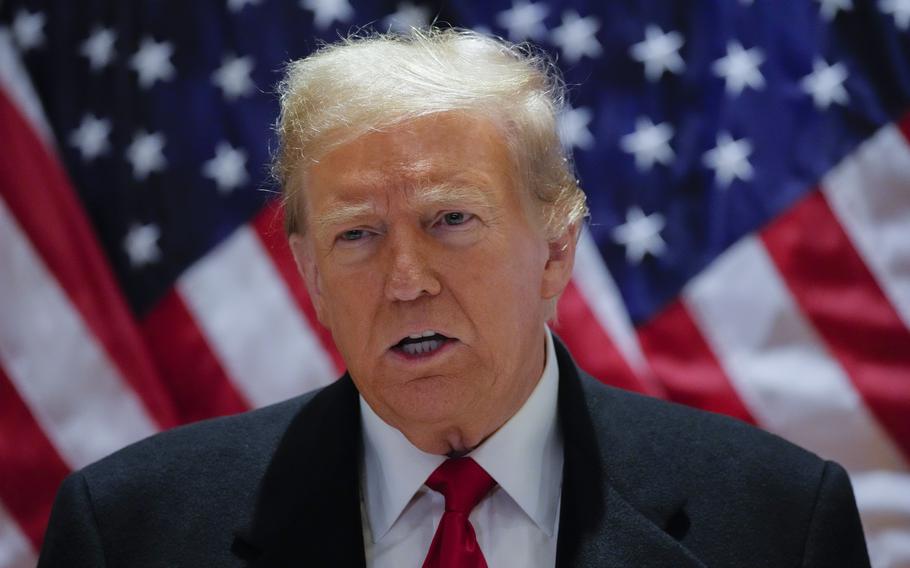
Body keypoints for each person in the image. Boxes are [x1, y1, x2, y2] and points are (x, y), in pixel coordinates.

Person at [38, 28, 870, 567]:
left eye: (451, 220)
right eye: (357, 235)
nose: (407, 281)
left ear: (555, 248)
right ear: (310, 275)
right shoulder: (130, 533)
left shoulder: (777, 524)